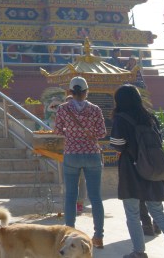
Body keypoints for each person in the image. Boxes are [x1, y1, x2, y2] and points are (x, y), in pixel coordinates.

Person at [110, 84, 164, 258]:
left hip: (131, 171)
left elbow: (118, 144)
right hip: (153, 169)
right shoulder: (150, 117)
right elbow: (159, 141)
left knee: (133, 213)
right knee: (157, 211)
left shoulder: (121, 118)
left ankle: (139, 252)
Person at [54, 76, 106, 249]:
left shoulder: (62, 109)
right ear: (86, 92)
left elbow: (57, 131)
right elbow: (102, 132)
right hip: (92, 154)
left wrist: (71, 132)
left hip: (72, 154)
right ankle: (98, 236)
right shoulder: (95, 109)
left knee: (70, 196)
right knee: (96, 197)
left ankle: (69, 234)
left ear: (70, 92)